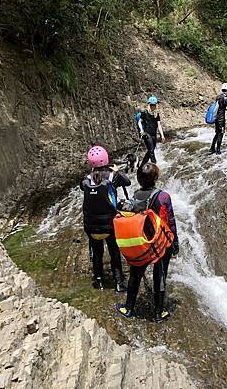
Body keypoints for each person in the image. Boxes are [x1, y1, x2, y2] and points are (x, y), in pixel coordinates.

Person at [115, 163, 179, 323]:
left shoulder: (136, 195)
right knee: (160, 274)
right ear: (156, 178)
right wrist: (175, 242)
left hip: (142, 240)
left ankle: (128, 308)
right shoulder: (164, 197)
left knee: (136, 274)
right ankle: (159, 313)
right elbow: (170, 220)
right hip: (160, 242)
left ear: (138, 179)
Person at [80, 145, 130, 292]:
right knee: (114, 251)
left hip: (91, 226)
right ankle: (119, 282)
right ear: (106, 159)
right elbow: (127, 182)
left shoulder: (86, 180)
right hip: (109, 225)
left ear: (91, 163)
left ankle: (99, 281)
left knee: (97, 252)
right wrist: (117, 171)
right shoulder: (113, 177)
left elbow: (83, 187)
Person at [137, 95, 166, 167]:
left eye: (154, 105)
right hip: (146, 134)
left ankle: (142, 165)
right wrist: (141, 130)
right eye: (152, 105)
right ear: (149, 105)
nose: (153, 106)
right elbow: (139, 122)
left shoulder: (157, 114)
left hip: (154, 134)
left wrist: (162, 135)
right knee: (151, 151)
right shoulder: (145, 113)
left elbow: (159, 125)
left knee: (150, 150)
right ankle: (155, 165)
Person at [209, 83, 227, 154]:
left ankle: (212, 148)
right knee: (220, 134)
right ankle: (218, 150)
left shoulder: (218, 97)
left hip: (216, 119)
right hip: (221, 120)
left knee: (217, 133)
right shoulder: (224, 98)